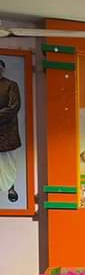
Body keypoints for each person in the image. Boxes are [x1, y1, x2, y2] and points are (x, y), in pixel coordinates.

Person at [0, 59, 21, 203]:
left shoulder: (11, 85)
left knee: (8, 162)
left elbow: (14, 106)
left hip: (7, 131)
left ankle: (10, 188)